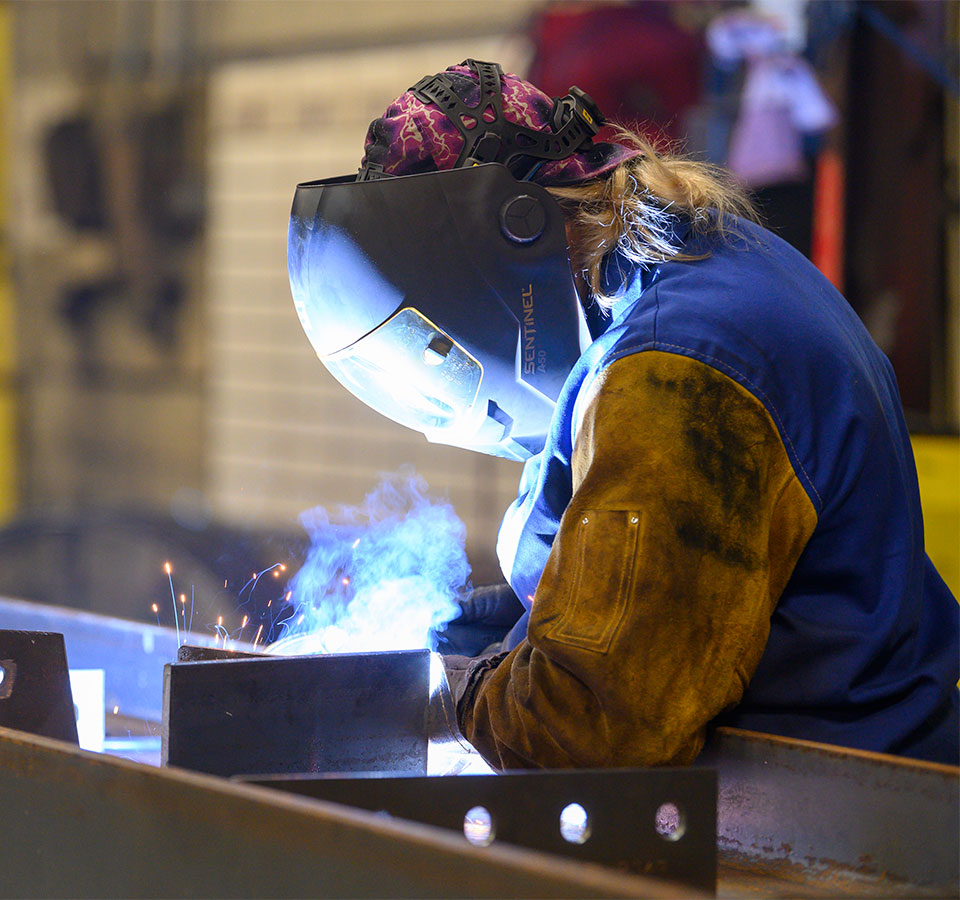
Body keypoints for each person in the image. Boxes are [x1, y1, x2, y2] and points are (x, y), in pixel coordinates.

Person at [287, 60, 959, 768]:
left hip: (825, 827)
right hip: (829, 785)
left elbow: (588, 726)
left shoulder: (677, 370)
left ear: (512, 235)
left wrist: (445, 697)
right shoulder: (703, 276)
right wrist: (517, 625)